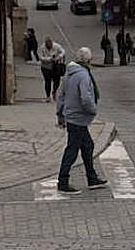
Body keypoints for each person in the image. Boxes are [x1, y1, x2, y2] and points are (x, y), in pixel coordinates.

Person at [55, 47, 107, 194]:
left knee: (88, 146)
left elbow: (61, 95)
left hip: (71, 116)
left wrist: (60, 113)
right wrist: (93, 109)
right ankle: (63, 181)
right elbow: (85, 97)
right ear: (88, 61)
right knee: (72, 149)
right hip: (78, 117)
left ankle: (92, 177)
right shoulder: (83, 75)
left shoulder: (69, 74)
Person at [39, 36, 65, 101]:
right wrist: (50, 59)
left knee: (57, 80)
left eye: (50, 44)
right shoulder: (42, 48)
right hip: (46, 67)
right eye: (47, 45)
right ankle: (48, 96)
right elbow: (40, 57)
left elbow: (63, 52)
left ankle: (54, 91)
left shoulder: (56, 46)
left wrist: (58, 57)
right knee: (47, 81)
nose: (49, 46)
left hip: (55, 66)